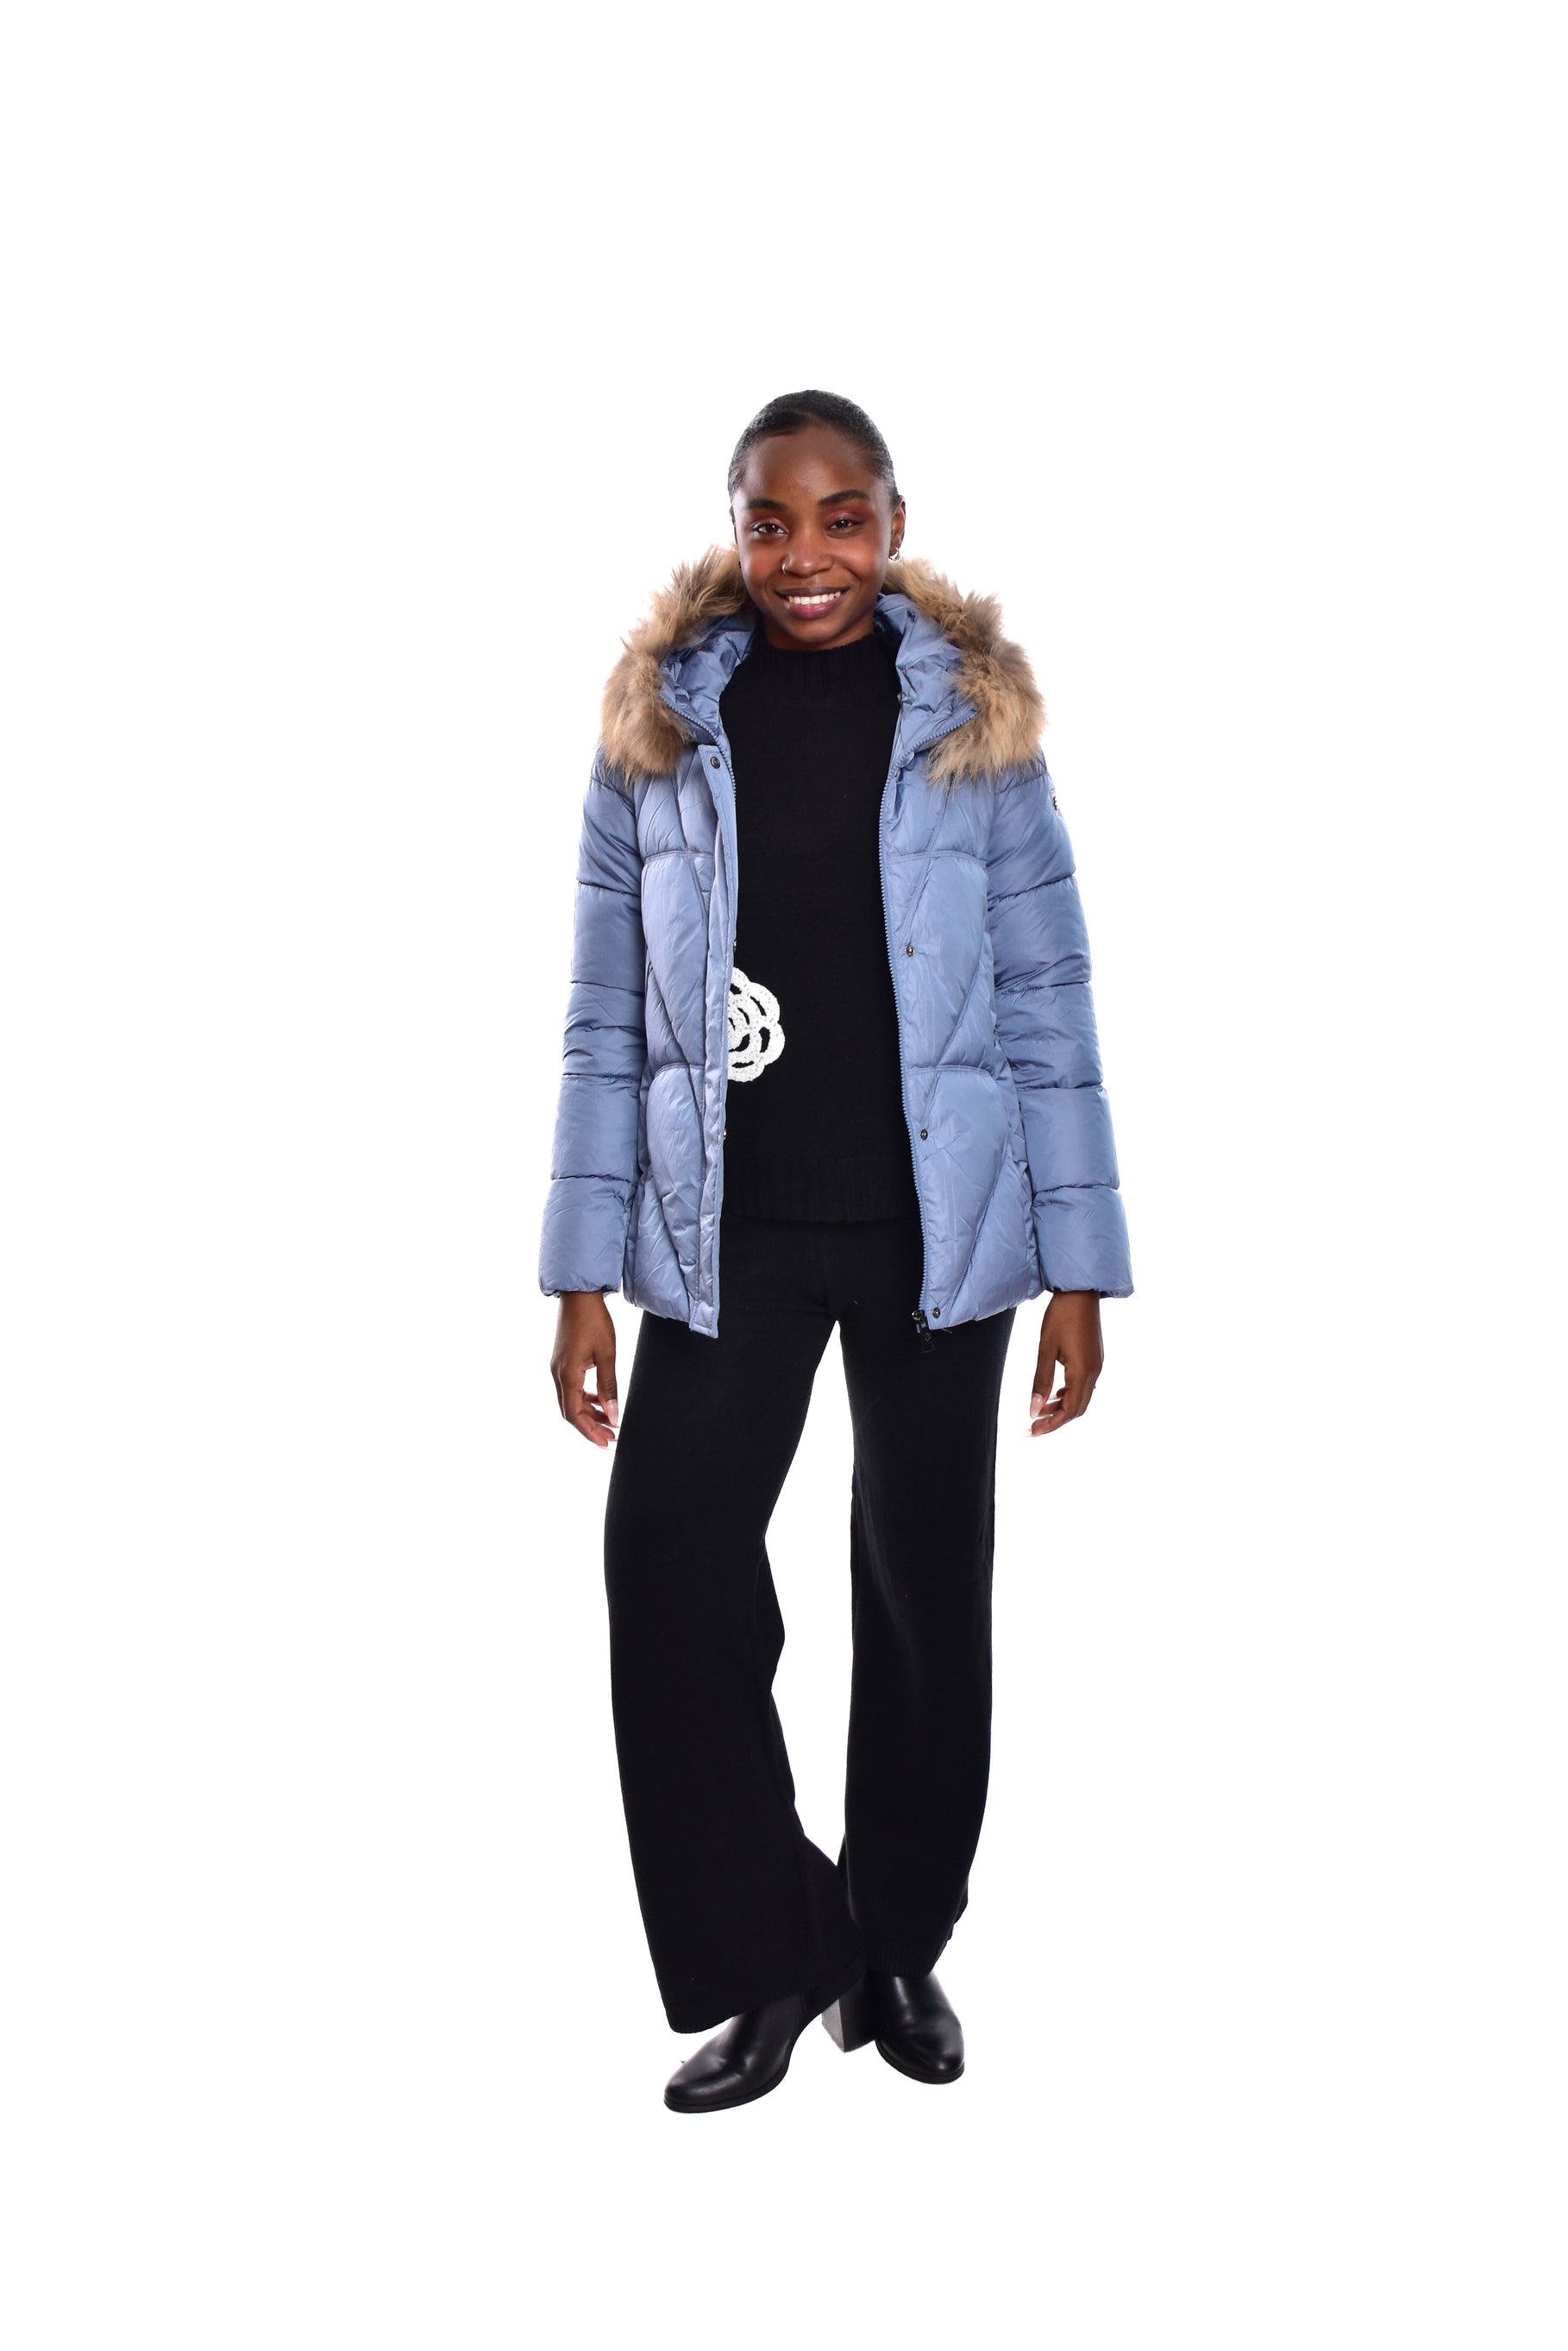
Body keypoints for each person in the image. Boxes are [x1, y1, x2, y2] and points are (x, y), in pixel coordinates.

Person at [540, 390, 1133, 2113]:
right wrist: (577, 1273)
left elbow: (1046, 993)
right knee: (667, 1564)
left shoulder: (976, 726)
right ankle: (772, 1944)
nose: (806, 554)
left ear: (892, 518)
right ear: (735, 526)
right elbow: (602, 1015)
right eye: (770, 519)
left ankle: (896, 1941)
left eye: (841, 515)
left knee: (924, 1586)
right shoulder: (660, 727)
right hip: (722, 1229)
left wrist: (1081, 1266)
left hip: (938, 1228)